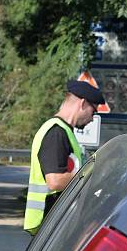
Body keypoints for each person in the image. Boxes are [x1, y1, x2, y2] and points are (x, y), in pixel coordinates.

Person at [23, 79, 105, 234]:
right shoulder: (56, 133)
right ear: (82, 104)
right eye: (93, 111)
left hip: (55, 222)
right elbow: (54, 180)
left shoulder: (65, 131)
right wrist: (91, 173)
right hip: (50, 223)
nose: (92, 118)